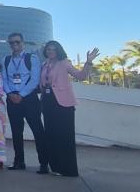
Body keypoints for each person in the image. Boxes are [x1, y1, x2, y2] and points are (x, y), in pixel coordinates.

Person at [40, 41, 98, 177]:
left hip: (63, 103)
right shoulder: (45, 64)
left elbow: (81, 76)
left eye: (53, 49)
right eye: (48, 49)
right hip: (48, 102)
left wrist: (88, 62)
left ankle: (68, 169)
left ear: (58, 50)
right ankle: (55, 167)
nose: (51, 51)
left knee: (65, 136)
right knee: (51, 135)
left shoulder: (64, 63)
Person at [3, 32, 49, 173]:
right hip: (12, 99)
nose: (14, 44)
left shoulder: (31, 58)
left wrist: (21, 95)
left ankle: (44, 163)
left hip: (29, 99)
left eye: (17, 42)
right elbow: (4, 79)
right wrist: (10, 94)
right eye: (11, 42)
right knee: (16, 132)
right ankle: (19, 161)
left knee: (38, 131)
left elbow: (34, 79)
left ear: (23, 43)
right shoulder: (6, 59)